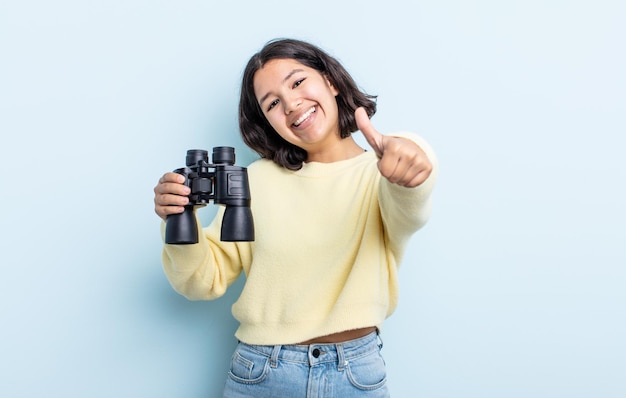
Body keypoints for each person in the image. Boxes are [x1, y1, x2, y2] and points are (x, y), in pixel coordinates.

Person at [153, 38, 437, 397]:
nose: (291, 104)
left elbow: (411, 200)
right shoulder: (256, 180)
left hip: (354, 372)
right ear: (266, 121)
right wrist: (177, 217)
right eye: (272, 103)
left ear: (330, 81)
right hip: (261, 372)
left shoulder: (380, 174)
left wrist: (414, 163)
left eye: (298, 82)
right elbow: (199, 281)